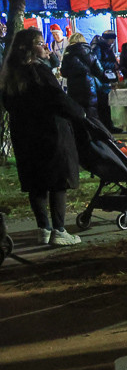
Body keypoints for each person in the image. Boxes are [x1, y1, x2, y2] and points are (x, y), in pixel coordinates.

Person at [0, 29, 87, 247]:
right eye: (40, 43)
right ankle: (59, 230)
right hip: (50, 133)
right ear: (28, 48)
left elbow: (9, 104)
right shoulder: (38, 72)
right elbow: (57, 98)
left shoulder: (11, 75)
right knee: (57, 181)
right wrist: (79, 113)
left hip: (25, 135)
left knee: (36, 182)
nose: (45, 47)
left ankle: (44, 229)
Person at [60, 32, 107, 121]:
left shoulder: (67, 55)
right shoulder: (90, 53)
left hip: (73, 88)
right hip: (89, 88)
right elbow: (100, 71)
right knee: (91, 115)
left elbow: (64, 72)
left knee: (77, 114)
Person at [91, 30, 121, 133]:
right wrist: (112, 65)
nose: (113, 42)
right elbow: (97, 63)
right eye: (112, 40)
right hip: (101, 79)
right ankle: (106, 127)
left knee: (105, 104)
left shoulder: (103, 47)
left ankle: (108, 125)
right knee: (103, 104)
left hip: (105, 78)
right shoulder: (98, 48)